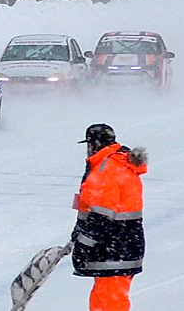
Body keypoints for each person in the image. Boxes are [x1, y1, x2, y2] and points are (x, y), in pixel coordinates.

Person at [70, 124, 147, 311]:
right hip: (120, 247)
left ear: (95, 144)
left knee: (109, 302)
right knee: (101, 300)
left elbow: (101, 217)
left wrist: (84, 244)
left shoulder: (107, 169)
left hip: (115, 248)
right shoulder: (113, 163)